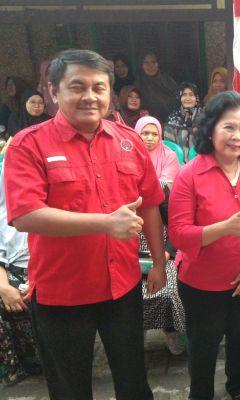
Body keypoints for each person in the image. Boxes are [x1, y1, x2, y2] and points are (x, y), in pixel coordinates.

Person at [3, 49, 167, 400]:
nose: (90, 96)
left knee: (134, 382)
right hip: (61, 291)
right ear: (53, 90)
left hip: (121, 285)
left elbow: (151, 204)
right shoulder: (29, 145)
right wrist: (106, 223)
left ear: (110, 93)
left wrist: (159, 262)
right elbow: (25, 214)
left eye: (99, 87)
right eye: (77, 86)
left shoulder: (129, 140)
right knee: (69, 389)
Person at [168, 91, 240, 400]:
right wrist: (223, 229)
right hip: (202, 284)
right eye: (229, 127)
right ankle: (200, 394)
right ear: (211, 129)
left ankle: (237, 388)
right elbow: (179, 234)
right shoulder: (189, 176)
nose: (237, 136)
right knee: (204, 346)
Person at [133, 116, 185, 354]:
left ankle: (171, 331)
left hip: (161, 246)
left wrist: (165, 253)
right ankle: (136, 332)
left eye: (154, 133)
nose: (149, 138)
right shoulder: (126, 160)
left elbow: (175, 222)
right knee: (130, 294)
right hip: (131, 245)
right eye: (144, 133)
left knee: (169, 290)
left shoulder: (167, 163)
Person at [0, 153, 41, 386]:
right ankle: (14, 366)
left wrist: (37, 281)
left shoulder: (54, 210)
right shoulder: (2, 213)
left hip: (46, 273)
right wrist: (4, 288)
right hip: (12, 274)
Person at [164, 82, 204, 160]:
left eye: (191, 95)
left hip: (200, 163)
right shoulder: (172, 120)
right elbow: (169, 148)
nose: (187, 98)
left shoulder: (205, 119)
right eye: (184, 95)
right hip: (178, 164)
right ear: (180, 97)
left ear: (197, 98)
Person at [135, 52, 178, 123]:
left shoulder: (168, 81)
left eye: (153, 62)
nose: (150, 66)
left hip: (173, 123)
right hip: (151, 125)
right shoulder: (138, 85)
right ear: (141, 65)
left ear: (158, 64)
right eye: (146, 63)